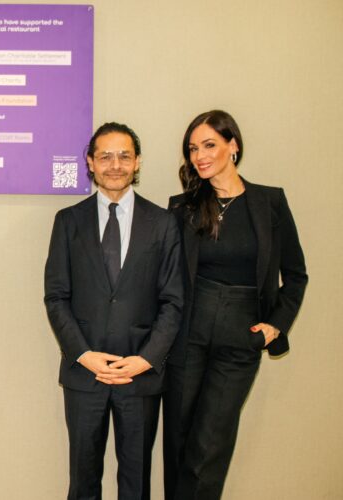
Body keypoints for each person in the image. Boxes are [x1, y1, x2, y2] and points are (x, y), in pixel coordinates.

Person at [162, 110, 308, 499]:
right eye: (193, 148)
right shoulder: (182, 207)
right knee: (178, 440)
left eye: (209, 145)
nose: (199, 156)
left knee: (209, 447)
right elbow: (165, 275)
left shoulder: (270, 203)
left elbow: (296, 275)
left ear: (233, 146)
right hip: (187, 334)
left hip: (240, 339)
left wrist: (276, 325)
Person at [44, 122, 183, 499]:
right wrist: (83, 354)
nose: (115, 165)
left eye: (124, 156)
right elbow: (56, 297)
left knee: (136, 483)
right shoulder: (68, 221)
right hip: (84, 373)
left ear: (137, 162)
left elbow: (173, 301)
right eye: (105, 156)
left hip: (139, 374)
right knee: (83, 481)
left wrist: (147, 359)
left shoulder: (163, 224)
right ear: (90, 163)